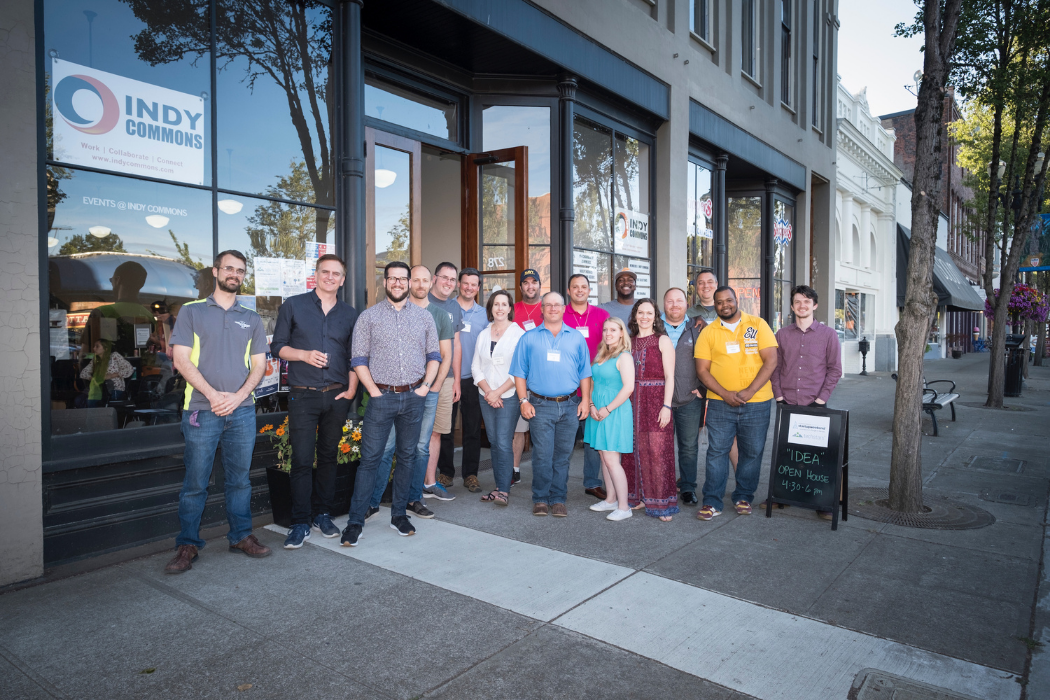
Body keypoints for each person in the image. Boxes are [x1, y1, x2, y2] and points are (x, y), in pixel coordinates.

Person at [164, 250, 271, 573]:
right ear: (216, 271)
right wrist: (213, 396)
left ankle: (240, 536)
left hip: (241, 411)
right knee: (196, 481)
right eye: (229, 269)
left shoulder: (251, 318)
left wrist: (237, 398)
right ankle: (187, 544)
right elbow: (181, 360)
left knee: (239, 480)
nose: (234, 275)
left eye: (240, 271)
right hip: (201, 409)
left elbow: (260, 366)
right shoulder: (192, 312)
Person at [342, 261, 441, 546]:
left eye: (402, 278)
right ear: (385, 282)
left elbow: (434, 356)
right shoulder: (368, 317)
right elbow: (358, 359)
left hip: (413, 398)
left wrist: (424, 388)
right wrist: (373, 390)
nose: (398, 283)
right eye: (392, 278)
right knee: (370, 460)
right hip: (381, 398)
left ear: (410, 283)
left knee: (407, 456)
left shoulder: (424, 318)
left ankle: (399, 515)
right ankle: (355, 522)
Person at [270, 254, 360, 549]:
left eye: (336, 274)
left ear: (342, 280)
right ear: (316, 274)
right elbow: (278, 347)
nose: (330, 277)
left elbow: (356, 357)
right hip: (303, 394)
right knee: (301, 459)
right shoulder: (293, 305)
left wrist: (351, 391)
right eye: (325, 272)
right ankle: (299, 522)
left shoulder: (350, 314)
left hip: (337, 394)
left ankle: (322, 513)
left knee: (329, 458)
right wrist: (304, 355)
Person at [365, 265, 452, 522]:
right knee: (388, 446)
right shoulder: (394, 313)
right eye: (416, 280)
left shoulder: (438, 315)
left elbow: (445, 355)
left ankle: (414, 498)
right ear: (407, 282)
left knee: (420, 448)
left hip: (426, 391)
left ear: (431, 282)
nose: (421, 284)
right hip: (395, 394)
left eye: (426, 280)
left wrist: (432, 387)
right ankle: (373, 501)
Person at [694, 286, 778, 521]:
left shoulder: (758, 324)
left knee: (752, 451)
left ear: (736, 300)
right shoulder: (708, 332)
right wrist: (724, 393)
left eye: (728, 300)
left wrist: (750, 391)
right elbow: (702, 370)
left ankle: (743, 496)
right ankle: (712, 502)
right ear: (715, 304)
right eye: (719, 302)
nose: (724, 305)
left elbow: (771, 360)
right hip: (720, 404)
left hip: (757, 402)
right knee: (716, 452)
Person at [510, 292, 592, 517]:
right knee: (542, 455)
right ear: (542, 309)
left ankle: (558, 499)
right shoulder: (529, 338)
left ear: (564, 308)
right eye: (548, 305)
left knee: (563, 456)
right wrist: (523, 400)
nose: (553, 308)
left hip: (570, 405)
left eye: (557, 305)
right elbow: (519, 373)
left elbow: (585, 373)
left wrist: (585, 399)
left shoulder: (576, 338)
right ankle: (540, 499)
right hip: (540, 404)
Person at [770, 285, 842, 520]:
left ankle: (822, 502)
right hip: (788, 403)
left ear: (815, 305)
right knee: (788, 455)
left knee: (816, 457)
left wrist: (821, 400)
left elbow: (835, 370)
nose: (802, 305)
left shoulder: (828, 335)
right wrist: (779, 397)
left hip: (816, 404)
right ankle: (783, 496)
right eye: (798, 301)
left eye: (807, 301)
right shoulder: (782, 335)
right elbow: (776, 368)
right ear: (792, 306)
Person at [621, 299, 678, 521]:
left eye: (649, 313)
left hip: (656, 401)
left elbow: (670, 376)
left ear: (655, 317)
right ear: (635, 316)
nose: (644, 317)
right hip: (632, 401)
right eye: (640, 312)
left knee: (657, 451)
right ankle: (638, 497)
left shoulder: (662, 340)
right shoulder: (629, 342)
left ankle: (662, 503)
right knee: (633, 450)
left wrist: (666, 406)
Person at [471, 290, 525, 506]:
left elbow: (519, 369)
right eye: (496, 304)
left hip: (508, 396)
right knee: (494, 442)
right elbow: (476, 365)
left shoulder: (518, 334)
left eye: (504, 304)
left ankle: (503, 489)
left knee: (503, 442)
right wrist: (488, 391)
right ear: (491, 309)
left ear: (510, 308)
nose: (500, 308)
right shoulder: (484, 334)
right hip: (486, 396)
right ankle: (498, 486)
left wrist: (497, 392)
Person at [564, 273, 610, 500]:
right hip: (565, 388)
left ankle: (592, 483)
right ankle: (557, 482)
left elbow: (612, 346)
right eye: (575, 287)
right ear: (569, 291)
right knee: (563, 441)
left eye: (584, 287)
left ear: (589, 290)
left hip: (595, 388)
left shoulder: (602, 315)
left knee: (592, 439)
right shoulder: (560, 314)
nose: (579, 290)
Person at [585, 317, 635, 521]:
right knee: (604, 458)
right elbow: (592, 382)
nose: (608, 333)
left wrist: (607, 408)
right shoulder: (601, 354)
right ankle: (611, 499)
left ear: (622, 333)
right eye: (605, 329)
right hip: (597, 410)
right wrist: (591, 405)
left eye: (613, 330)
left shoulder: (624, 357)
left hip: (614, 411)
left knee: (613, 460)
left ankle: (624, 507)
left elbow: (628, 387)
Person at [446, 267, 488, 493]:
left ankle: (471, 474)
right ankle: (445, 472)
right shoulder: (447, 308)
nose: (469, 287)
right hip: (448, 377)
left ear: (478, 288)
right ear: (458, 284)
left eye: (474, 284)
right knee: (446, 428)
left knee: (472, 429)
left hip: (473, 379)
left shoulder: (484, 314)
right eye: (465, 283)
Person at [663, 288, 707, 505]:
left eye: (679, 300)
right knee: (661, 445)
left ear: (686, 303)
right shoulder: (653, 327)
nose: (674, 305)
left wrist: (704, 389)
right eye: (670, 301)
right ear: (664, 304)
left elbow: (710, 360)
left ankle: (688, 488)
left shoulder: (698, 328)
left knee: (689, 447)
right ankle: (664, 485)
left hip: (689, 399)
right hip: (660, 400)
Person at [429, 262, 465, 492]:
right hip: (420, 378)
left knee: (438, 432)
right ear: (435, 278)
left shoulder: (454, 307)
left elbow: (457, 345)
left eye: (452, 280)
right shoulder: (422, 304)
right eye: (445, 278)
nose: (448, 283)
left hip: (447, 378)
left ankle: (430, 482)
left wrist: (457, 380)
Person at [512, 268, 543, 485]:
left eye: (534, 282)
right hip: (519, 378)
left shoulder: (549, 308)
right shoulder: (512, 310)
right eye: (526, 283)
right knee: (518, 429)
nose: (530, 286)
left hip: (543, 378)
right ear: (521, 286)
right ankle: (514, 470)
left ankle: (543, 472)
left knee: (542, 430)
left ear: (539, 285)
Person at [79, 339, 134, 407]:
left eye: (97, 346)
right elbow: (83, 373)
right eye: (94, 346)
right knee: (80, 400)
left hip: (114, 388)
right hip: (100, 388)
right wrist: (92, 378)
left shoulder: (114, 356)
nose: (94, 348)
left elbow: (129, 369)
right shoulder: (95, 359)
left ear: (106, 349)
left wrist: (112, 375)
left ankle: (97, 416)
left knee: (92, 401)